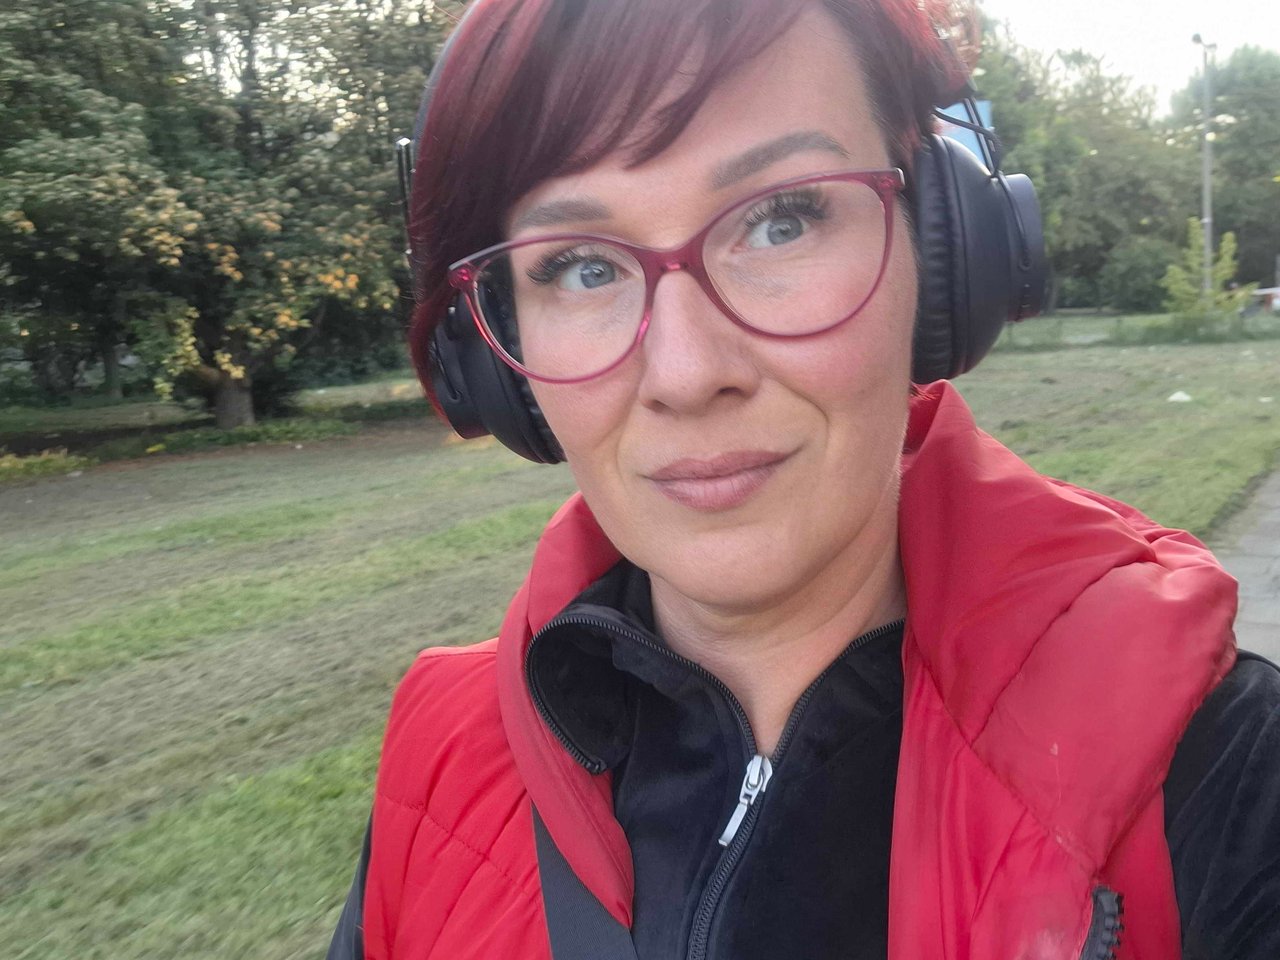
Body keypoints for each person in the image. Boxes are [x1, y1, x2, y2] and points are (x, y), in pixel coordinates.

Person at [328, 0, 1280, 957]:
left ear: (944, 251)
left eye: (780, 221)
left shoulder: (1222, 768)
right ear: (498, 355)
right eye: (580, 268)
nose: (687, 373)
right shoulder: (440, 753)